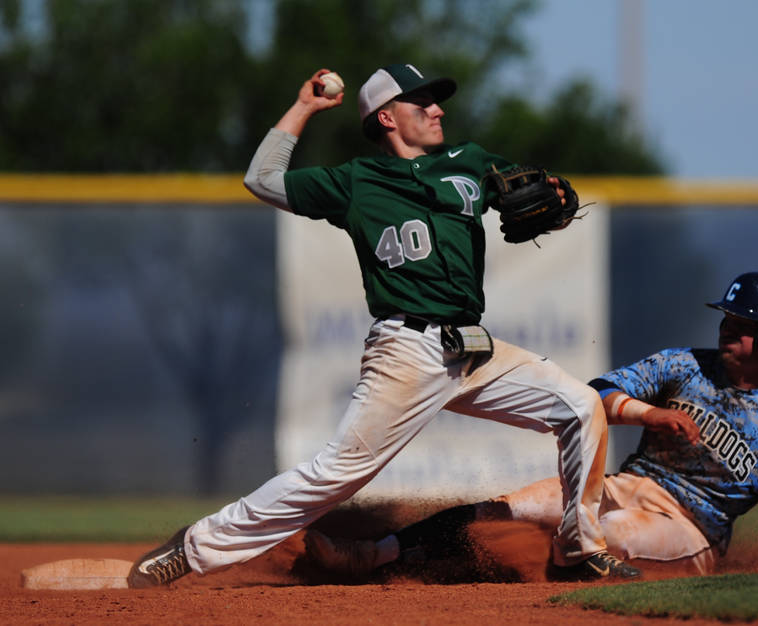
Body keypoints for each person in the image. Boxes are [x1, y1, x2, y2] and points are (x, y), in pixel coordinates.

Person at [126, 63, 640, 588]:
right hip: (407, 350)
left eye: (438, 101)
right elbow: (260, 179)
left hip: (473, 350)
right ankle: (191, 549)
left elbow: (533, 190)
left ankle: (580, 548)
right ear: (388, 118)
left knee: (581, 407)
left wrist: (552, 196)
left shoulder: (470, 161)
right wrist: (305, 106)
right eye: (423, 103)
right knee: (337, 473)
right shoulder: (356, 181)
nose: (438, 109)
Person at [305, 272, 758, 578]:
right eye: (729, 319)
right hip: (626, 485)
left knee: (598, 538)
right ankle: (371, 555)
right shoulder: (686, 365)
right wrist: (649, 413)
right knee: (509, 507)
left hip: (691, 530)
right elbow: (597, 394)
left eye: (747, 327)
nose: (731, 330)